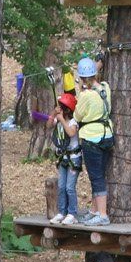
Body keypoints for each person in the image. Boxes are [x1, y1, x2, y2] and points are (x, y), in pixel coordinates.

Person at [72, 57, 112, 226]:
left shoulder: (85, 96)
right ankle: (95, 211)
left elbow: (77, 115)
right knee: (100, 175)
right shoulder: (105, 88)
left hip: (91, 138)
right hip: (107, 135)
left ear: (81, 78)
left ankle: (102, 215)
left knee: (96, 177)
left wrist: (80, 90)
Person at [48, 94, 82, 225]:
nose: (60, 110)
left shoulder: (73, 122)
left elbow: (71, 133)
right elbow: (48, 125)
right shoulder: (59, 120)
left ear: (67, 110)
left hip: (73, 158)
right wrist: (53, 113)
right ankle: (61, 212)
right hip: (63, 158)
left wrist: (61, 119)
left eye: (62, 108)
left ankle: (72, 213)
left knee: (69, 187)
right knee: (61, 186)